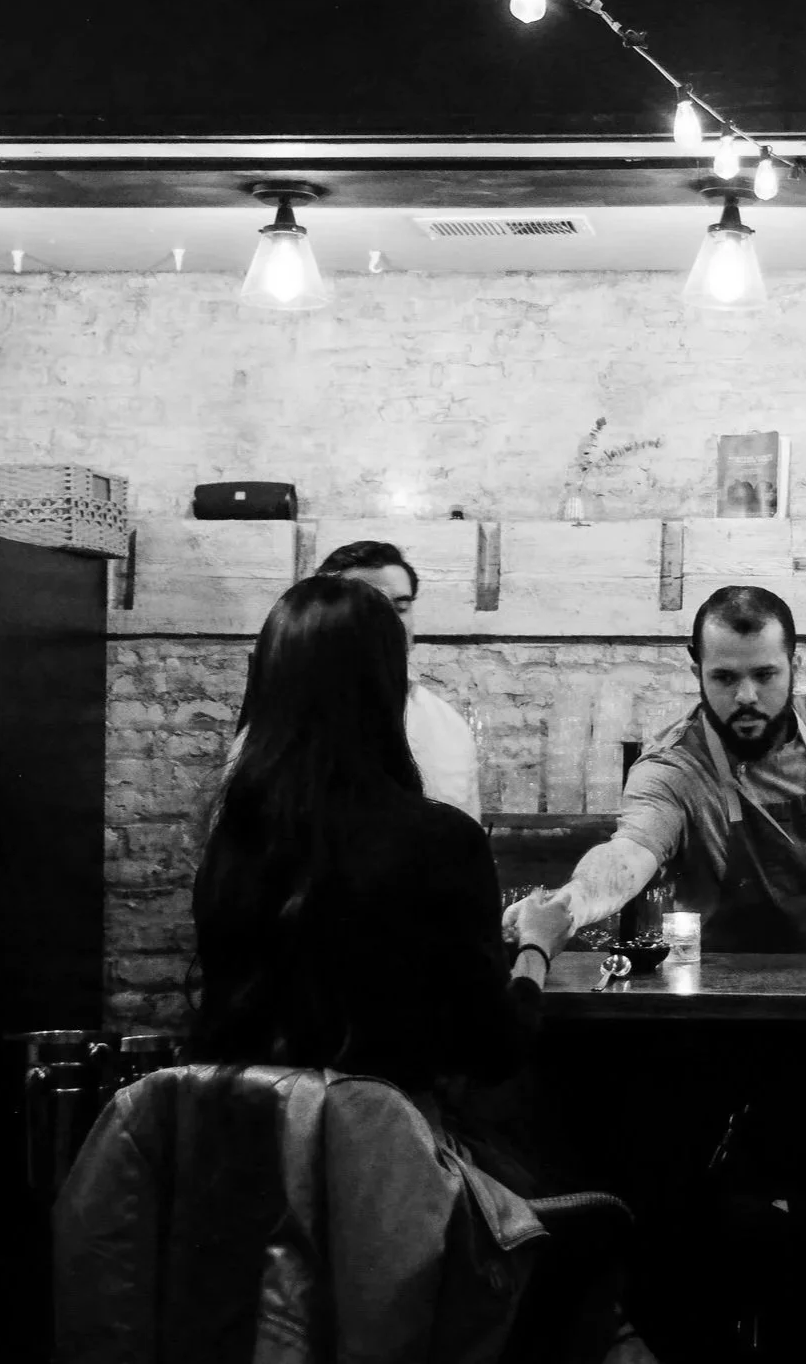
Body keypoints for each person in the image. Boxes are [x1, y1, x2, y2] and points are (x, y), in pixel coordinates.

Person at [189, 575, 640, 1360]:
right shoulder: (438, 842)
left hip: (246, 1199)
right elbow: (494, 1048)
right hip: (399, 1198)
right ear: (387, 692)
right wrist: (535, 945)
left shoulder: (230, 849)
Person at [534, 585, 806, 954]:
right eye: (724, 677)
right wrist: (572, 904)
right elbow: (629, 854)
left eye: (764, 675)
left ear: (795, 665)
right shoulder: (673, 769)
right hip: (727, 993)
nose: (745, 697)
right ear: (697, 673)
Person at [316, 538, 481, 819]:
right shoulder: (286, 723)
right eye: (369, 607)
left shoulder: (446, 726)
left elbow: (469, 845)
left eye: (400, 607)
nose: (389, 621)